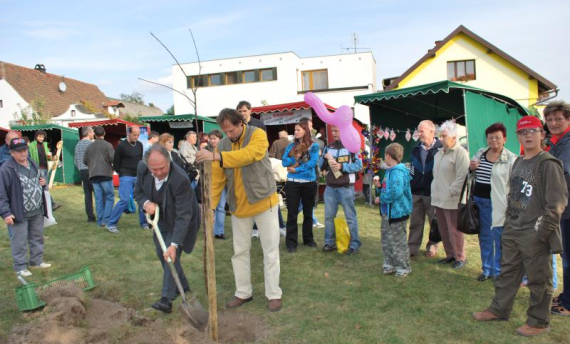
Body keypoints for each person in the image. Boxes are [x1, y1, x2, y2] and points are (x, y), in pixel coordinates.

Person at [473, 115, 568, 337]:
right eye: (523, 132)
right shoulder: (519, 161)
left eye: (532, 131)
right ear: (517, 136)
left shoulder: (548, 164)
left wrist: (542, 232)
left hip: (534, 232)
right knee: (507, 273)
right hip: (513, 227)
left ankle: (538, 322)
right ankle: (499, 309)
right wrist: (508, 221)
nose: (527, 136)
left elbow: (557, 204)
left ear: (542, 134)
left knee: (538, 279)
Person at [196, 108, 282, 312]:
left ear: (240, 123)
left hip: (264, 202)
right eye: (225, 131)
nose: (228, 135)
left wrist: (218, 157)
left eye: (231, 130)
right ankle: (243, 292)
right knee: (240, 252)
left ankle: (274, 294)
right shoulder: (224, 145)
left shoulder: (257, 134)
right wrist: (211, 207)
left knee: (270, 250)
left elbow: (250, 155)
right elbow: (217, 179)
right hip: (238, 207)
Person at [134, 145, 200, 313]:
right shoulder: (143, 169)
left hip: (181, 219)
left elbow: (184, 215)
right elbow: (138, 193)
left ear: (169, 161)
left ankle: (166, 299)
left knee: (170, 255)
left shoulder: (180, 179)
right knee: (161, 252)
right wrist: (146, 203)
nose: (158, 172)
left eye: (162, 168)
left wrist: (174, 244)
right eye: (154, 169)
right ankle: (183, 286)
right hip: (160, 220)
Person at [469, 123, 517, 282]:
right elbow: (470, 176)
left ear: (504, 139)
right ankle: (487, 269)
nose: (493, 140)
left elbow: (514, 185)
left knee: (500, 238)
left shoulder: (511, 159)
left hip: (499, 204)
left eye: (497, 137)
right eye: (490, 137)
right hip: (479, 202)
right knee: (484, 236)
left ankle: (499, 271)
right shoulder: (481, 153)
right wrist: (471, 169)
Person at [0, 137, 51, 277]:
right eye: (19, 151)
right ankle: (20, 267)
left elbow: (39, 181)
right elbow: (1, 193)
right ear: (12, 153)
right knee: (19, 240)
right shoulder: (6, 169)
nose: (23, 154)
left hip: (36, 210)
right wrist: (5, 213)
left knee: (37, 237)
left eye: (25, 150)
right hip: (18, 212)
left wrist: (42, 182)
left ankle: (36, 261)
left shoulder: (32, 163)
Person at [543, 100, 570, 316]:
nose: (553, 123)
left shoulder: (568, 143)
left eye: (558, 119)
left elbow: (563, 173)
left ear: (568, 120)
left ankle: (568, 304)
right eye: (549, 119)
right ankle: (566, 295)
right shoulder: (556, 142)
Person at [431, 120, 469, 269]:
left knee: (454, 229)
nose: (441, 138)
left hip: (453, 198)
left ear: (454, 137)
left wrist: (452, 191)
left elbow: (462, 176)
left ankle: (460, 256)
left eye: (444, 136)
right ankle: (450, 254)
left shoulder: (460, 153)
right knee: (443, 227)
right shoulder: (439, 153)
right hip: (438, 197)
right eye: (440, 135)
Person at [319, 125, 363, 255]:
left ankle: (354, 244)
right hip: (330, 188)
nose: (333, 133)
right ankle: (329, 243)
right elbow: (320, 166)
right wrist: (323, 158)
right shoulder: (328, 147)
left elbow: (358, 165)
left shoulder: (352, 147)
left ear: (343, 131)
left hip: (346, 188)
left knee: (350, 217)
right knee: (328, 217)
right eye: (332, 131)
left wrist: (342, 166)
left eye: (336, 131)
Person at [281, 121, 320, 253]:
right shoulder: (291, 146)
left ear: (305, 131)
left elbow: (312, 163)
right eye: (295, 130)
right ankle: (291, 243)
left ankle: (308, 239)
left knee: (308, 213)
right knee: (292, 213)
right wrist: (295, 158)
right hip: (293, 183)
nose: (295, 132)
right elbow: (284, 161)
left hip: (308, 182)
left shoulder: (314, 147)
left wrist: (296, 169)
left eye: (298, 130)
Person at [408, 120, 442, 258]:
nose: (419, 133)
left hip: (433, 192)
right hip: (416, 192)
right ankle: (412, 249)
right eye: (418, 131)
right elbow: (411, 170)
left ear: (432, 132)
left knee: (434, 222)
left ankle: (432, 247)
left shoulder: (441, 149)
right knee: (415, 222)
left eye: (422, 131)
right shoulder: (415, 149)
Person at [378, 143, 413, 277]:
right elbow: (388, 189)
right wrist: (380, 187)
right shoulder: (389, 171)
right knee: (386, 239)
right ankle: (389, 264)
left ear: (388, 155)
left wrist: (381, 199)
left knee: (398, 241)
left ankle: (403, 267)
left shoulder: (398, 172)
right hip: (387, 212)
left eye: (385, 155)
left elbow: (395, 192)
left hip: (397, 213)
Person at [106, 126, 147, 233]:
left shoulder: (140, 145)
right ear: (128, 133)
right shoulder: (122, 146)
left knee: (142, 200)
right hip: (126, 176)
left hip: (138, 175)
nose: (136, 137)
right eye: (134, 135)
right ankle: (111, 224)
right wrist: (122, 173)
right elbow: (116, 162)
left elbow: (140, 160)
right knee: (124, 200)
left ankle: (144, 223)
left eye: (138, 135)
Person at [83, 126, 115, 229]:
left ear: (95, 134)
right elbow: (113, 158)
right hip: (105, 174)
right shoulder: (108, 145)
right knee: (109, 197)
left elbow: (84, 161)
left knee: (98, 198)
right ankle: (105, 220)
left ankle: (100, 220)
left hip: (93, 175)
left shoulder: (89, 147)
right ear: (104, 133)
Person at [28, 130, 60, 211]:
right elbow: (30, 157)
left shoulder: (45, 144)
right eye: (40, 136)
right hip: (39, 168)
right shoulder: (32, 145)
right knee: (44, 187)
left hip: (46, 167)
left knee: (43, 187)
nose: (41, 138)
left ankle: (45, 204)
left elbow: (47, 155)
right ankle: (51, 204)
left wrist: (51, 157)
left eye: (42, 137)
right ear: (36, 137)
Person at [208, 130, 228, 240]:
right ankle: (209, 231)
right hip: (211, 182)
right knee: (210, 208)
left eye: (214, 138)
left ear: (220, 139)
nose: (212, 140)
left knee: (220, 207)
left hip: (223, 182)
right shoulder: (206, 149)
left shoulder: (224, 150)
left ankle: (219, 232)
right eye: (211, 138)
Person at [74, 126, 96, 223]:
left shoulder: (78, 144)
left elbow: (75, 160)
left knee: (87, 195)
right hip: (90, 170)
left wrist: (80, 167)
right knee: (98, 193)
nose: (93, 134)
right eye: (92, 132)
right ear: (88, 133)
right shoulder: (90, 144)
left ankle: (90, 217)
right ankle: (102, 216)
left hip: (82, 171)